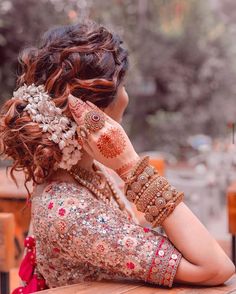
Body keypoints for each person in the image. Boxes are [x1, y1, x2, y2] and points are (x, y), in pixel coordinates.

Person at [0, 20, 235, 293]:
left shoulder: (85, 171)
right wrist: (131, 165)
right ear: (91, 113)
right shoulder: (69, 211)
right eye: (123, 85)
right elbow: (217, 267)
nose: (126, 95)